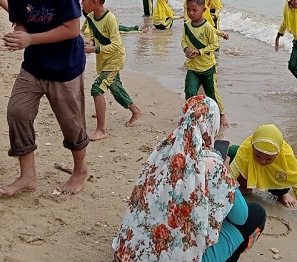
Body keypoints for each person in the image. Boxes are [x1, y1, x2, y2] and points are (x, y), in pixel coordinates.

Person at [113, 96, 266, 262]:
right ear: (212, 124)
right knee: (257, 213)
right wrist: (228, 177)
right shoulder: (212, 163)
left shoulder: (163, 150)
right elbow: (241, 217)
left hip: (132, 253)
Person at [0, 0, 89, 196]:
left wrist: (29, 38)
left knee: (72, 124)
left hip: (65, 68)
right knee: (17, 112)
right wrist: (19, 35)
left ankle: (80, 170)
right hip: (34, 67)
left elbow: (73, 29)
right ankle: (28, 176)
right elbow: (21, 22)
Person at [229, 124, 297, 232]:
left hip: (274, 178)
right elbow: (231, 174)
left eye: (268, 159)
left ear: (278, 153)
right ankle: (246, 187)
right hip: (252, 173)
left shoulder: (286, 158)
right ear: (252, 146)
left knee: (281, 177)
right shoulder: (246, 149)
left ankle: (283, 193)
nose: (262, 161)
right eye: (258, 156)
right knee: (232, 151)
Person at [81, 0, 143, 140]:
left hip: (114, 59)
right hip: (104, 59)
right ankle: (136, 111)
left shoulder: (110, 19)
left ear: (94, 2)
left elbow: (116, 45)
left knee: (97, 89)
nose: (82, 3)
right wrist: (91, 42)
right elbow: (97, 38)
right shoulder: (91, 17)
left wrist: (95, 49)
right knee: (115, 88)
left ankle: (101, 130)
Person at [183, 0, 230, 128]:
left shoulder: (208, 27)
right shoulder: (186, 26)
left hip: (207, 68)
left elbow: (215, 44)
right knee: (190, 92)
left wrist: (200, 51)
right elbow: (183, 41)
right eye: (188, 10)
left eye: (194, 10)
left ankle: (222, 115)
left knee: (212, 93)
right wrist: (186, 49)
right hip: (192, 67)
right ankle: (193, 116)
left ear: (203, 10)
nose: (191, 13)